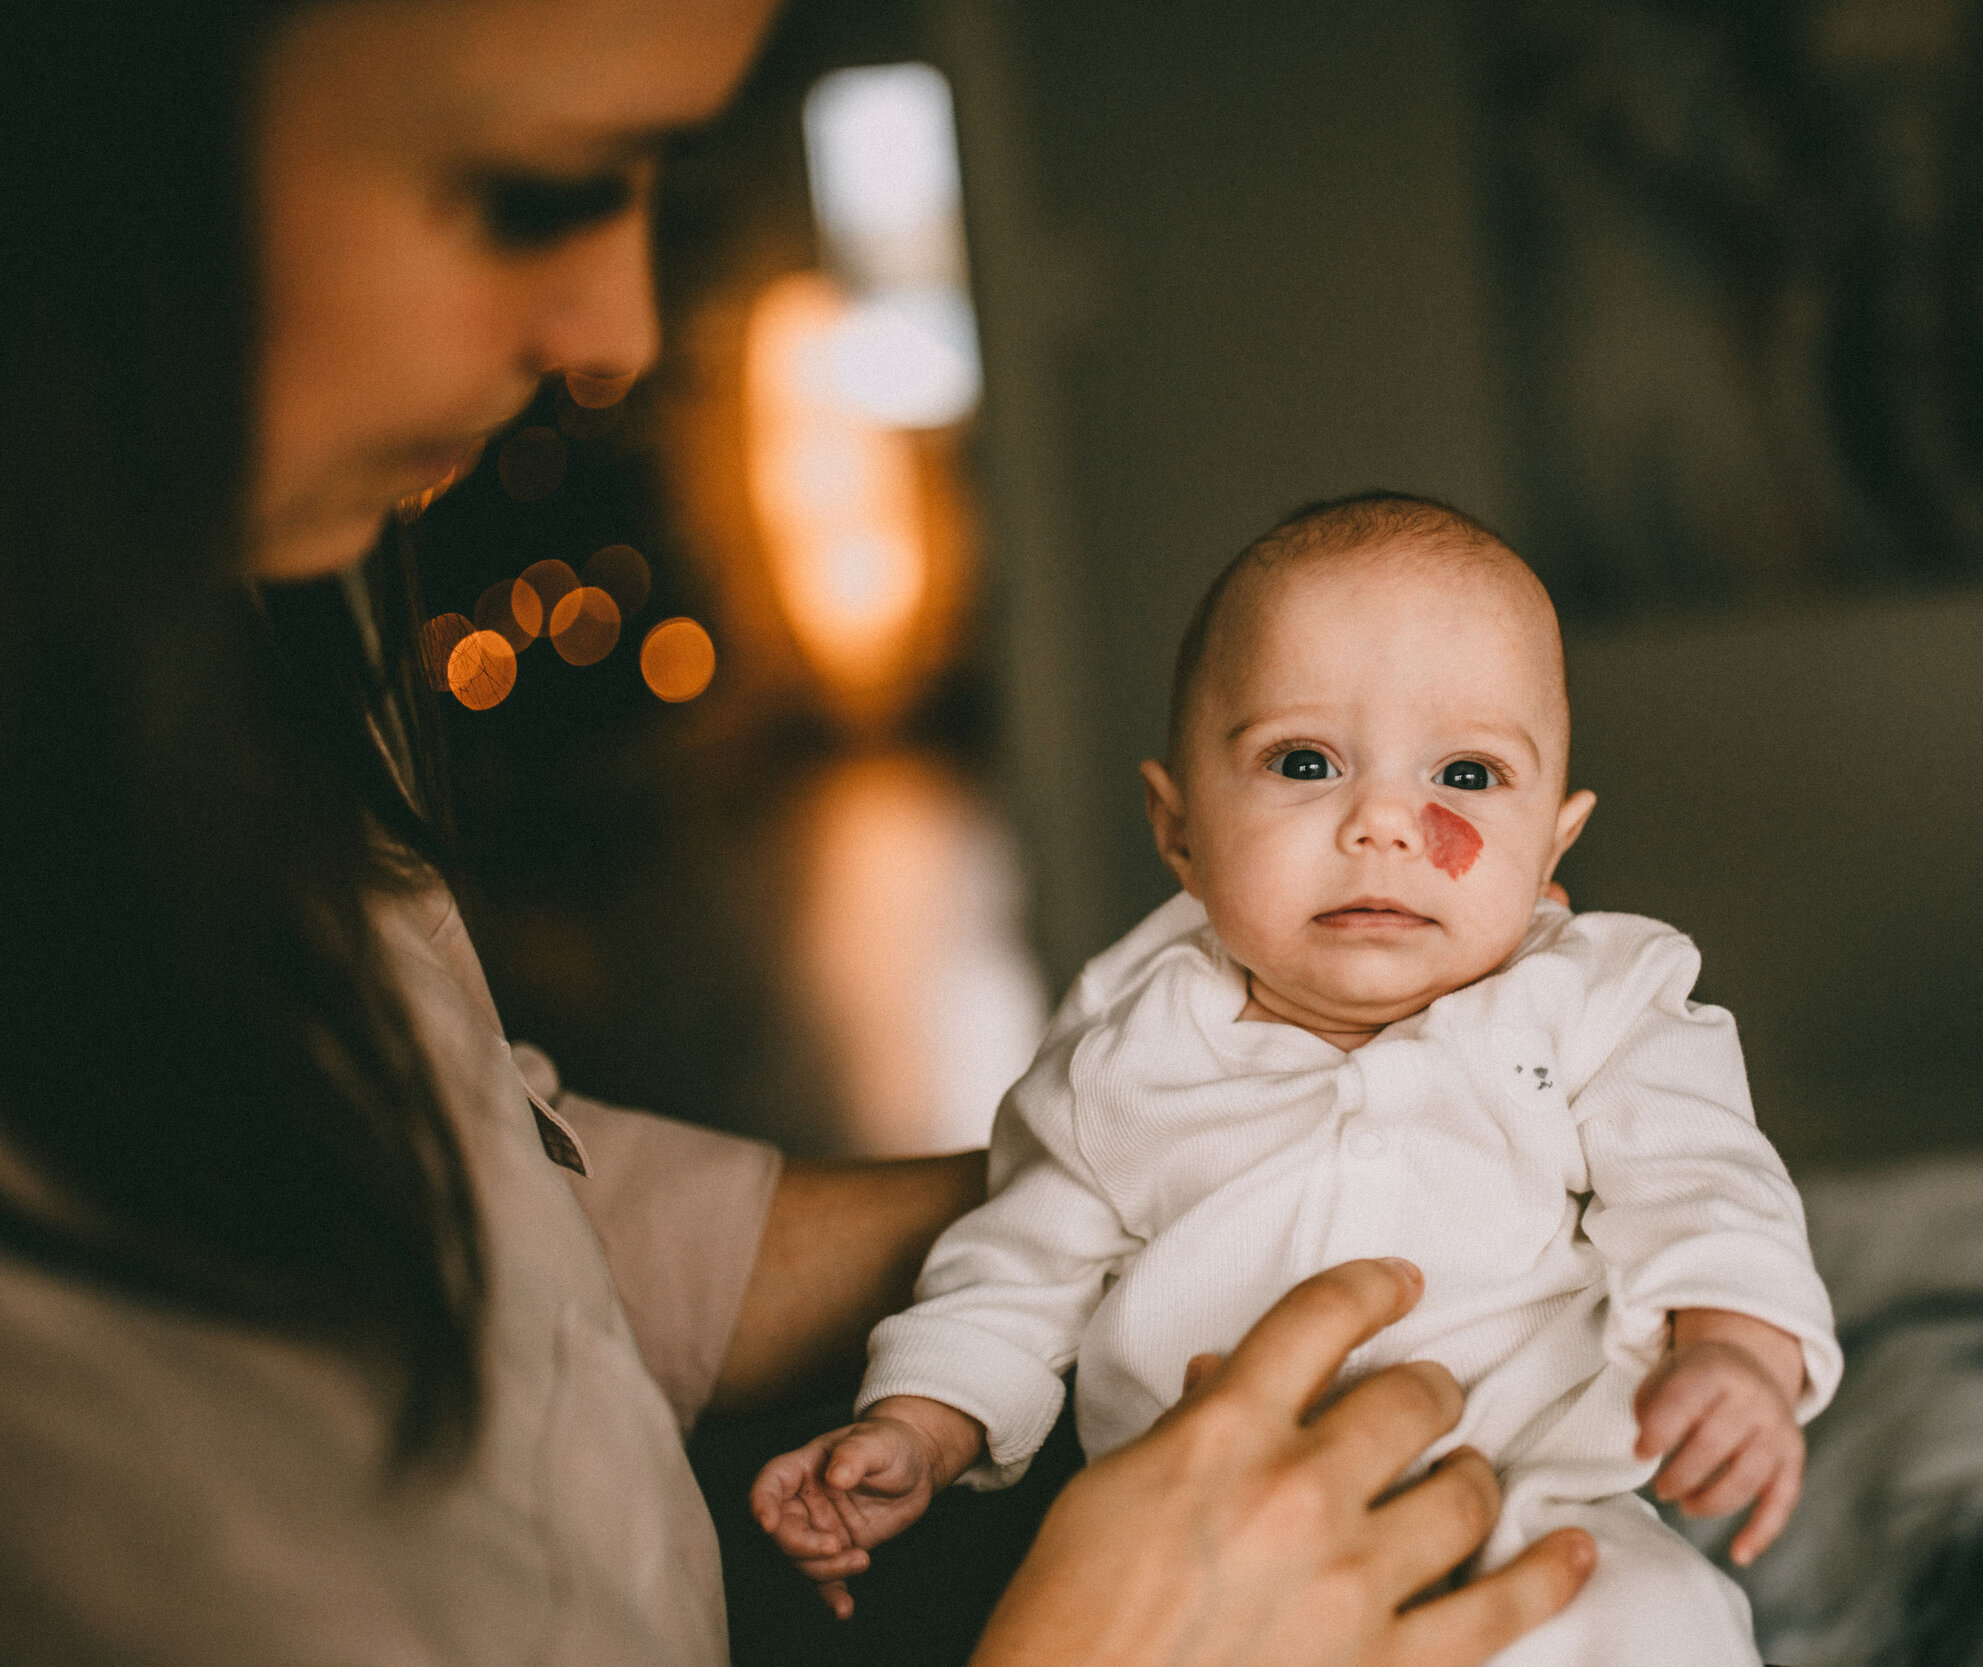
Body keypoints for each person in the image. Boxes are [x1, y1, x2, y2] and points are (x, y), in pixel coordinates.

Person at [0, 5, 1595, 1663]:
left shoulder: (190, 740)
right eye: (537, 188)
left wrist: (1181, 1167)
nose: (616, 339)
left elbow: (474, 1164)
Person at [752, 497, 1842, 1664]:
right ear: (1178, 829)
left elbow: (1706, 1181)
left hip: (1535, 1508)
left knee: (1656, 1621)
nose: (1381, 821)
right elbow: (1013, 1274)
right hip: (1213, 1575)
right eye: (1304, 761)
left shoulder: (1595, 1003)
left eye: (1466, 771)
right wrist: (918, 1422)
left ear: (1551, 846)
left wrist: (1736, 1347)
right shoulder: (1122, 1058)